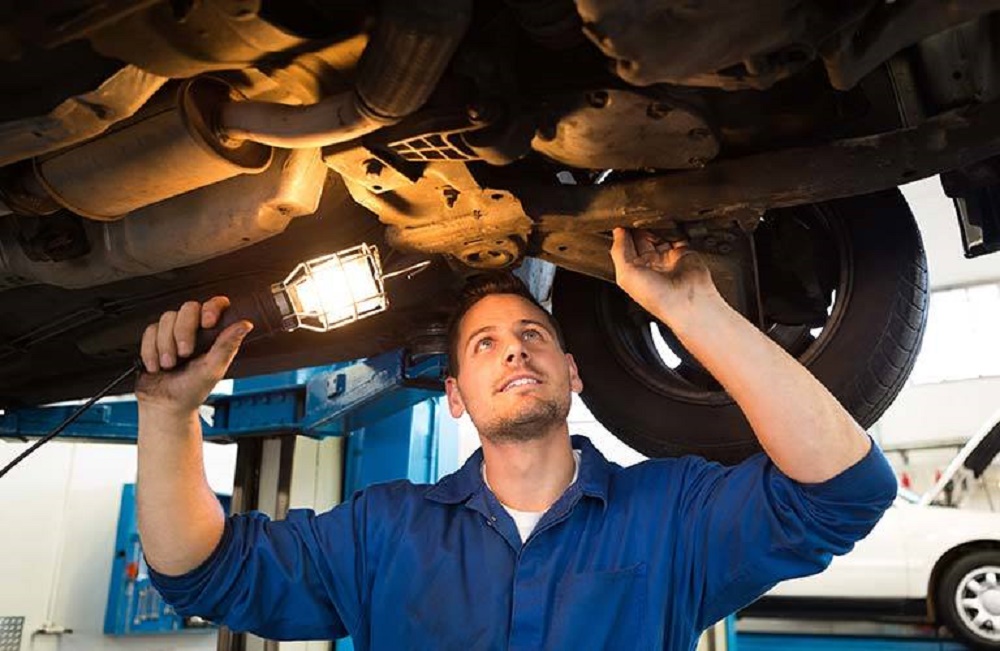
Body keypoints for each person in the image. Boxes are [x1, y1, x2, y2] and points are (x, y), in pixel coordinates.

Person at [135, 228, 897, 650]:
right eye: (485, 344)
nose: (514, 350)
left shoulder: (672, 511)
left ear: (572, 371)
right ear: (457, 398)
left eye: (532, 334)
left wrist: (695, 310)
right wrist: (167, 416)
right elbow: (203, 574)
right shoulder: (383, 530)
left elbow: (845, 492)